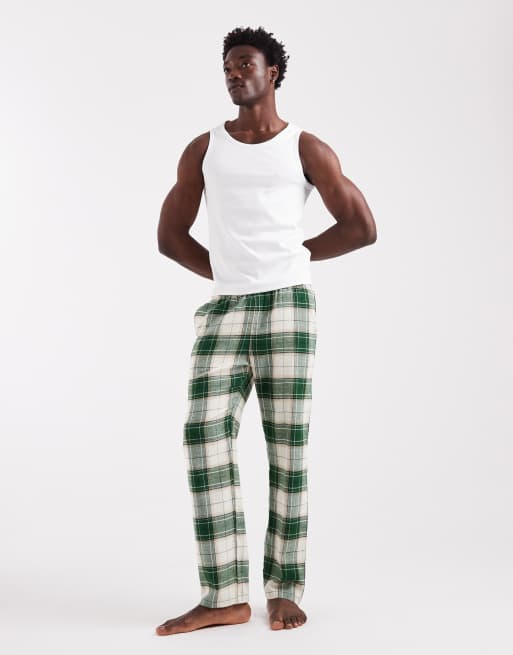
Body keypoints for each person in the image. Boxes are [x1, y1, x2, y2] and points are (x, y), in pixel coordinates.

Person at [155, 25, 377, 636]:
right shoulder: (204, 149)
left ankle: (283, 589)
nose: (234, 74)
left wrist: (293, 257)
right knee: (203, 435)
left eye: (245, 64)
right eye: (227, 67)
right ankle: (225, 595)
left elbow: (361, 226)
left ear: (272, 71)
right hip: (226, 307)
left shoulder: (306, 148)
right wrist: (231, 271)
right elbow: (169, 237)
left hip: (287, 306)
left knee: (287, 448)